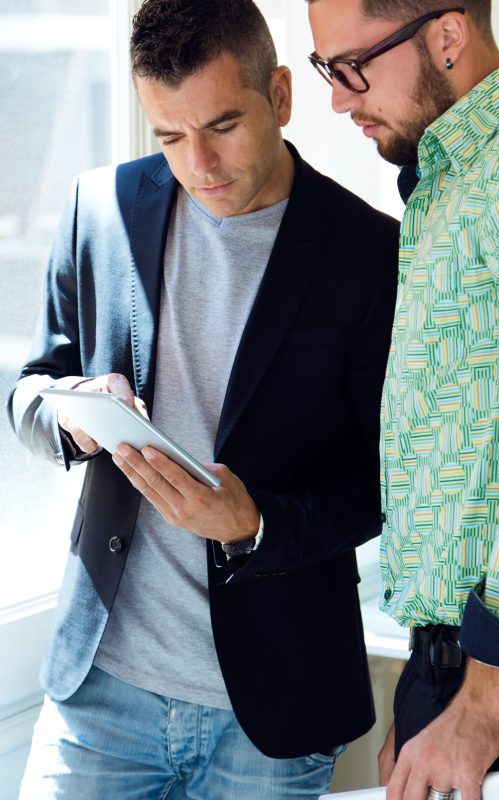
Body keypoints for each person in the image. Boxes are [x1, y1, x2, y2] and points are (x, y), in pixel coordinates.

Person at [7, 1, 400, 798]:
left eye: (223, 125)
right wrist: (73, 410)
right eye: (169, 136)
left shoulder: (373, 255)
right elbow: (29, 389)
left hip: (273, 714)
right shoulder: (100, 208)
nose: (200, 163)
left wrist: (254, 524)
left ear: (281, 95)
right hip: (101, 694)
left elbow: (387, 483)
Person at [306, 1, 499, 799]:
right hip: (456, 669)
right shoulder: (446, 184)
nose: (338, 98)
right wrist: (425, 679)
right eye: (325, 69)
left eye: (352, 67)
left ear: (445, 36)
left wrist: (481, 703)